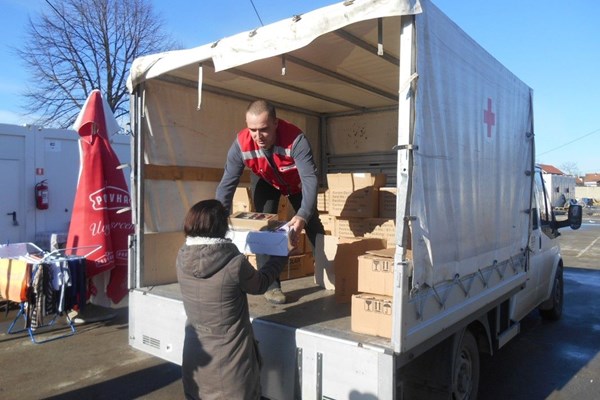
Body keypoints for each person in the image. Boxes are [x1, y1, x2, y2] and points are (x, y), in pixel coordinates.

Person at [176, 199, 287, 400]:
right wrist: (281, 255)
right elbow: (260, 284)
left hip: (195, 359)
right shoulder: (235, 264)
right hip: (230, 369)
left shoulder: (181, 257)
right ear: (222, 227)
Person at [216, 99, 325, 304]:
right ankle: (271, 286)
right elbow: (226, 184)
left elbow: (310, 180)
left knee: (311, 222)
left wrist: (302, 215)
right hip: (266, 180)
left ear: (276, 123)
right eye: (253, 130)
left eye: (264, 129)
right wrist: (217, 219)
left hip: (297, 183)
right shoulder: (241, 143)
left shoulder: (296, 139)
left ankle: (329, 272)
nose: (258, 136)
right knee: (264, 227)